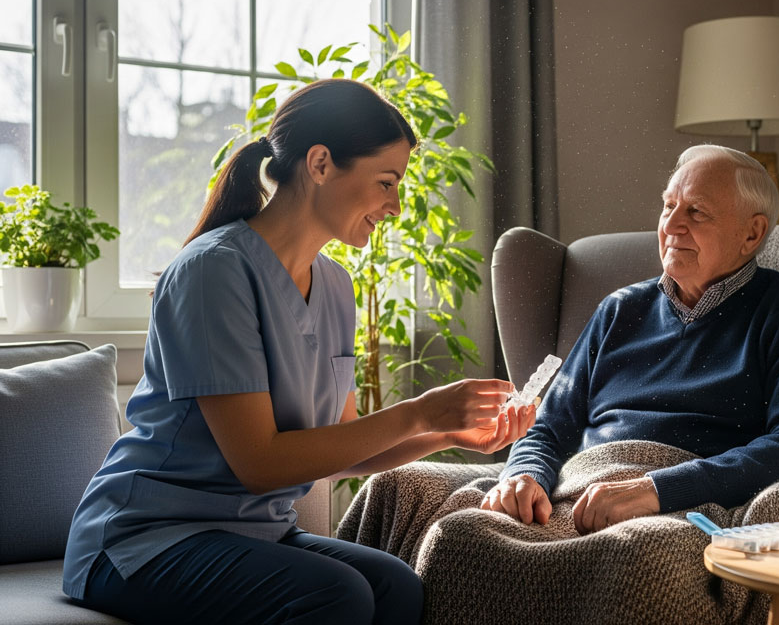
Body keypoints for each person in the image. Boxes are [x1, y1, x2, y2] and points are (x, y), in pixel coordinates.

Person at [62, 78, 537, 625]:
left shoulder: (335, 287)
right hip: (144, 539)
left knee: (398, 586)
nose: (396, 206)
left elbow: (345, 445)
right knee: (338, 595)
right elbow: (261, 463)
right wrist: (420, 411)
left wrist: (446, 434)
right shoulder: (213, 271)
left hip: (254, 533)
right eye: (386, 182)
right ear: (320, 164)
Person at [479, 144, 779, 533]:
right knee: (454, 527)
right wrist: (525, 475)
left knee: (633, 559)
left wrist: (657, 489)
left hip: (683, 509)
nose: (670, 227)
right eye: (669, 207)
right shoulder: (619, 309)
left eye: (696, 212)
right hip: (574, 492)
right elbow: (548, 426)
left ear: (751, 234)